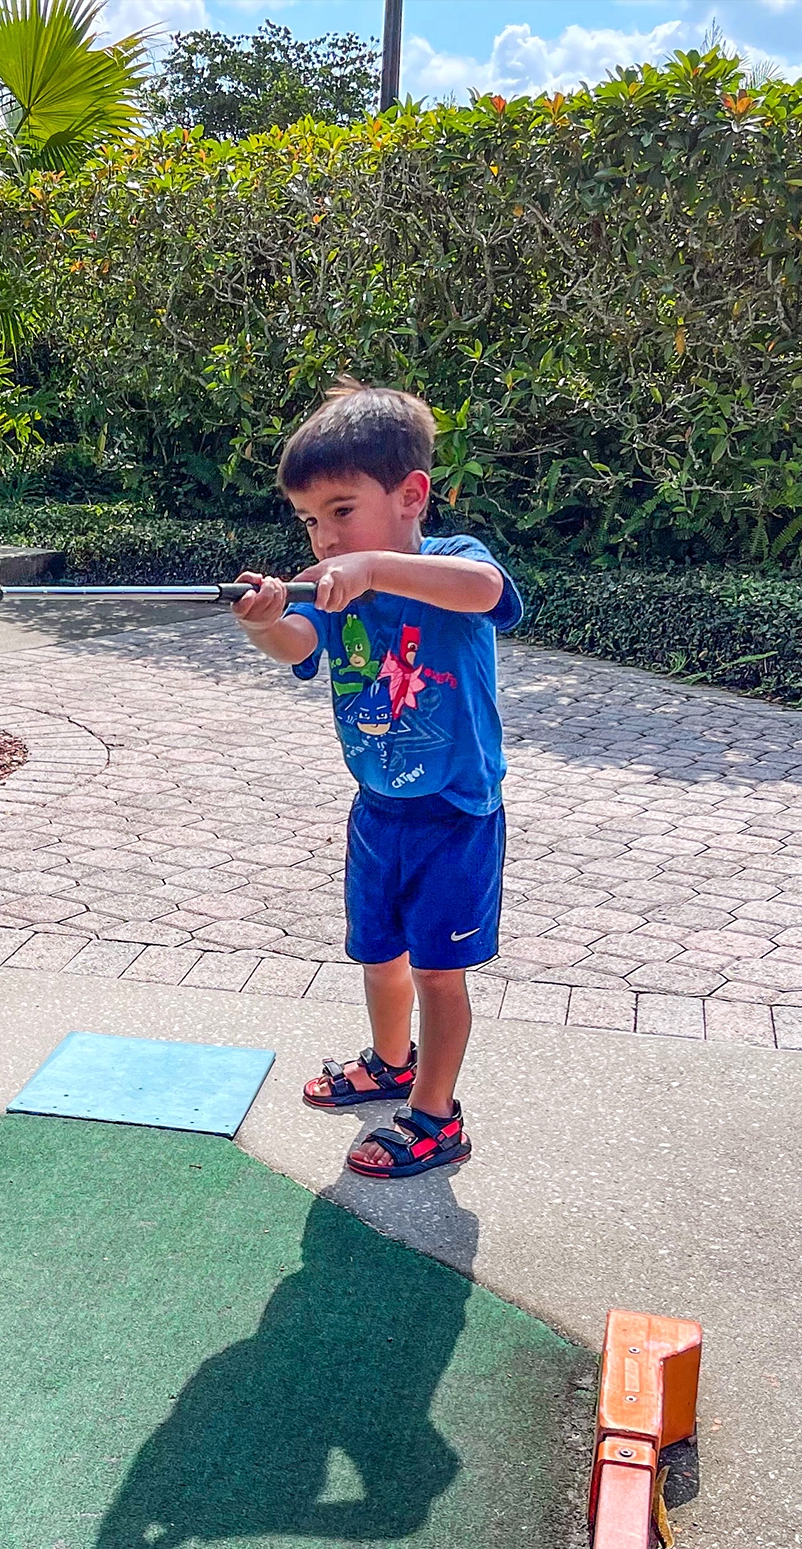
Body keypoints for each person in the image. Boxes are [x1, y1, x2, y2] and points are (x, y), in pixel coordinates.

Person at [232, 382, 523, 1179]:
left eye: (341, 511)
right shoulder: (335, 584)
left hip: (455, 814)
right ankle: (391, 1064)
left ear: (411, 495)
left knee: (437, 968)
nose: (325, 539)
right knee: (381, 953)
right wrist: (264, 623)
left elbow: (488, 595)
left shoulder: (452, 563)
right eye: (311, 522)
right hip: (379, 808)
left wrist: (371, 567)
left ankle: (436, 1116)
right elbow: (300, 646)